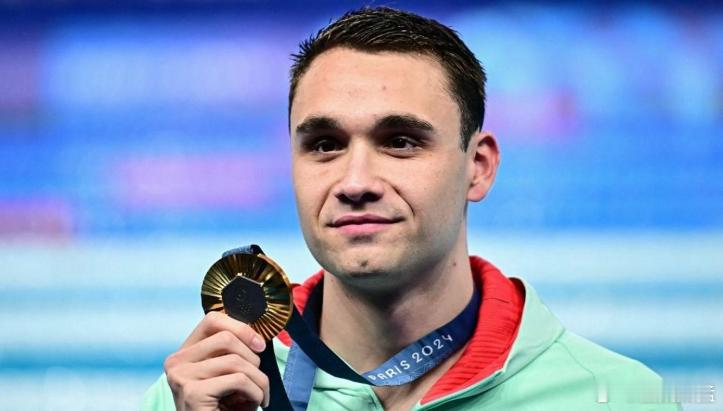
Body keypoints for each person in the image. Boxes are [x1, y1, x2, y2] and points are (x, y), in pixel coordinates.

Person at [142, 7, 679, 411]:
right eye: (324, 144)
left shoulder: (620, 398)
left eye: (400, 141)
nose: (355, 182)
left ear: (478, 167)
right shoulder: (198, 395)